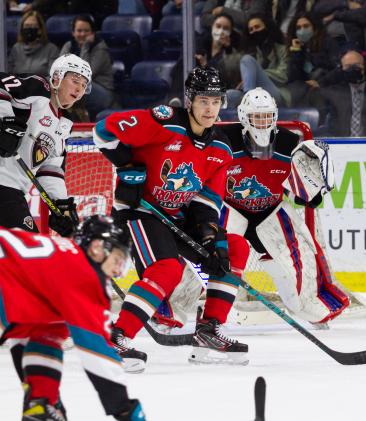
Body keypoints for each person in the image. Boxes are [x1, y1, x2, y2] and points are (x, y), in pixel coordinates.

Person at [93, 66, 251, 372]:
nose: (210, 108)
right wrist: (126, 164)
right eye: (204, 100)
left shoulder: (221, 148)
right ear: (190, 100)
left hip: (178, 217)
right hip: (140, 210)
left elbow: (207, 204)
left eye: (216, 101)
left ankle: (207, 331)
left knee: (233, 250)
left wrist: (211, 239)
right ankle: (116, 337)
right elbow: (104, 129)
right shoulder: (163, 122)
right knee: (168, 268)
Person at [219, 87, 349, 324]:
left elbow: (301, 195)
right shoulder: (225, 139)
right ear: (243, 117)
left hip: (270, 211)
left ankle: (305, 304)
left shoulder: (290, 143)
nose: (262, 122)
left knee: (299, 255)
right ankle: (187, 301)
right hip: (230, 208)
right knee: (210, 250)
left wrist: (310, 191)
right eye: (257, 117)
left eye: (267, 116)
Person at [0, 215, 146, 421]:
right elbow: (96, 348)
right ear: (97, 247)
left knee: (46, 330)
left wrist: (42, 400)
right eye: (118, 259)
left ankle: (42, 403)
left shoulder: (56, 261)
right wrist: (125, 409)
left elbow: (36, 336)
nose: (117, 270)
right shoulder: (86, 275)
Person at [0, 53, 92, 236]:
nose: (80, 89)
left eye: (84, 85)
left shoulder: (65, 123)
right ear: (57, 77)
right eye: (75, 80)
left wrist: (61, 205)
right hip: (4, 184)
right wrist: (5, 122)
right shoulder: (38, 88)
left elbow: (50, 168)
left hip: (13, 190)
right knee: (28, 249)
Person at [226, 13, 290, 107]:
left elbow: (283, 76)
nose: (254, 31)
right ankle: (249, 101)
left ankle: (249, 99)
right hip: (257, 93)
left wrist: (256, 73)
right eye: (251, 29)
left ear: (267, 27)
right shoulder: (255, 53)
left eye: (257, 27)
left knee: (247, 59)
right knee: (227, 95)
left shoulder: (283, 49)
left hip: (277, 93)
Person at [60, 14, 115, 119]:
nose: (82, 34)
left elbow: (86, 74)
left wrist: (85, 47)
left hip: (103, 93)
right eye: (79, 31)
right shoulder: (68, 46)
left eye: (86, 31)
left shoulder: (100, 48)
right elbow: (59, 69)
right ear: (73, 33)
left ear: (93, 33)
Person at [286, 12, 339, 111]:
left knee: (313, 94)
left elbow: (338, 69)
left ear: (314, 27)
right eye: (298, 28)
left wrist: (320, 82)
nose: (302, 30)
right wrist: (296, 52)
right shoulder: (297, 48)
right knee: (293, 90)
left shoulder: (328, 42)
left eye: (306, 26)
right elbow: (292, 77)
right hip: (304, 86)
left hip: (325, 84)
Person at [8, 11, 60, 76]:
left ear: (40, 30)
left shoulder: (51, 49)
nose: (29, 29)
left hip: (41, 85)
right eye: (27, 26)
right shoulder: (16, 48)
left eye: (33, 26)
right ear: (22, 29)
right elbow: (9, 74)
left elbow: (53, 77)